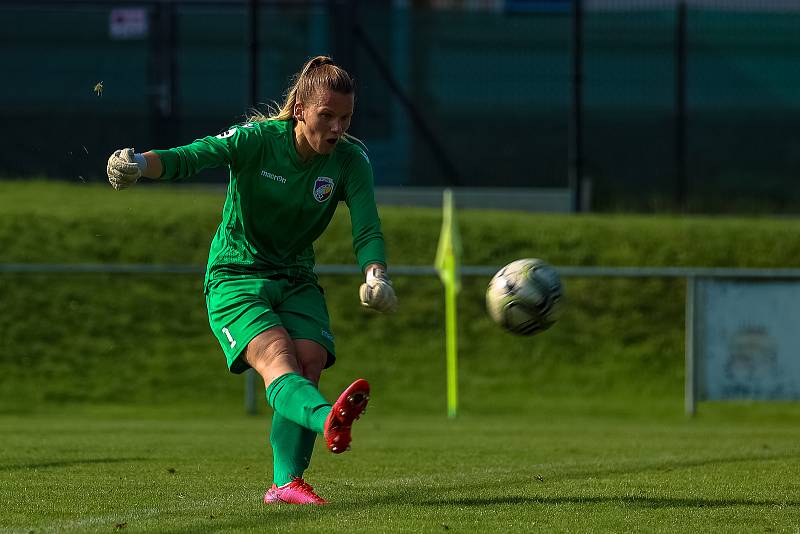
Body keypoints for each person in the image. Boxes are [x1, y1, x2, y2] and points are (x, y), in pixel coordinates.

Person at [106, 55, 397, 505]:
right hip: (236, 274)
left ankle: (286, 484)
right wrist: (140, 163)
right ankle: (327, 421)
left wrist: (376, 273)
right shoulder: (257, 141)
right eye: (327, 116)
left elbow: (367, 227)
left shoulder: (350, 161)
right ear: (300, 108)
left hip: (296, 276)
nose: (337, 127)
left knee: (310, 360)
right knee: (278, 355)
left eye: (345, 117)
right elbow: (193, 156)